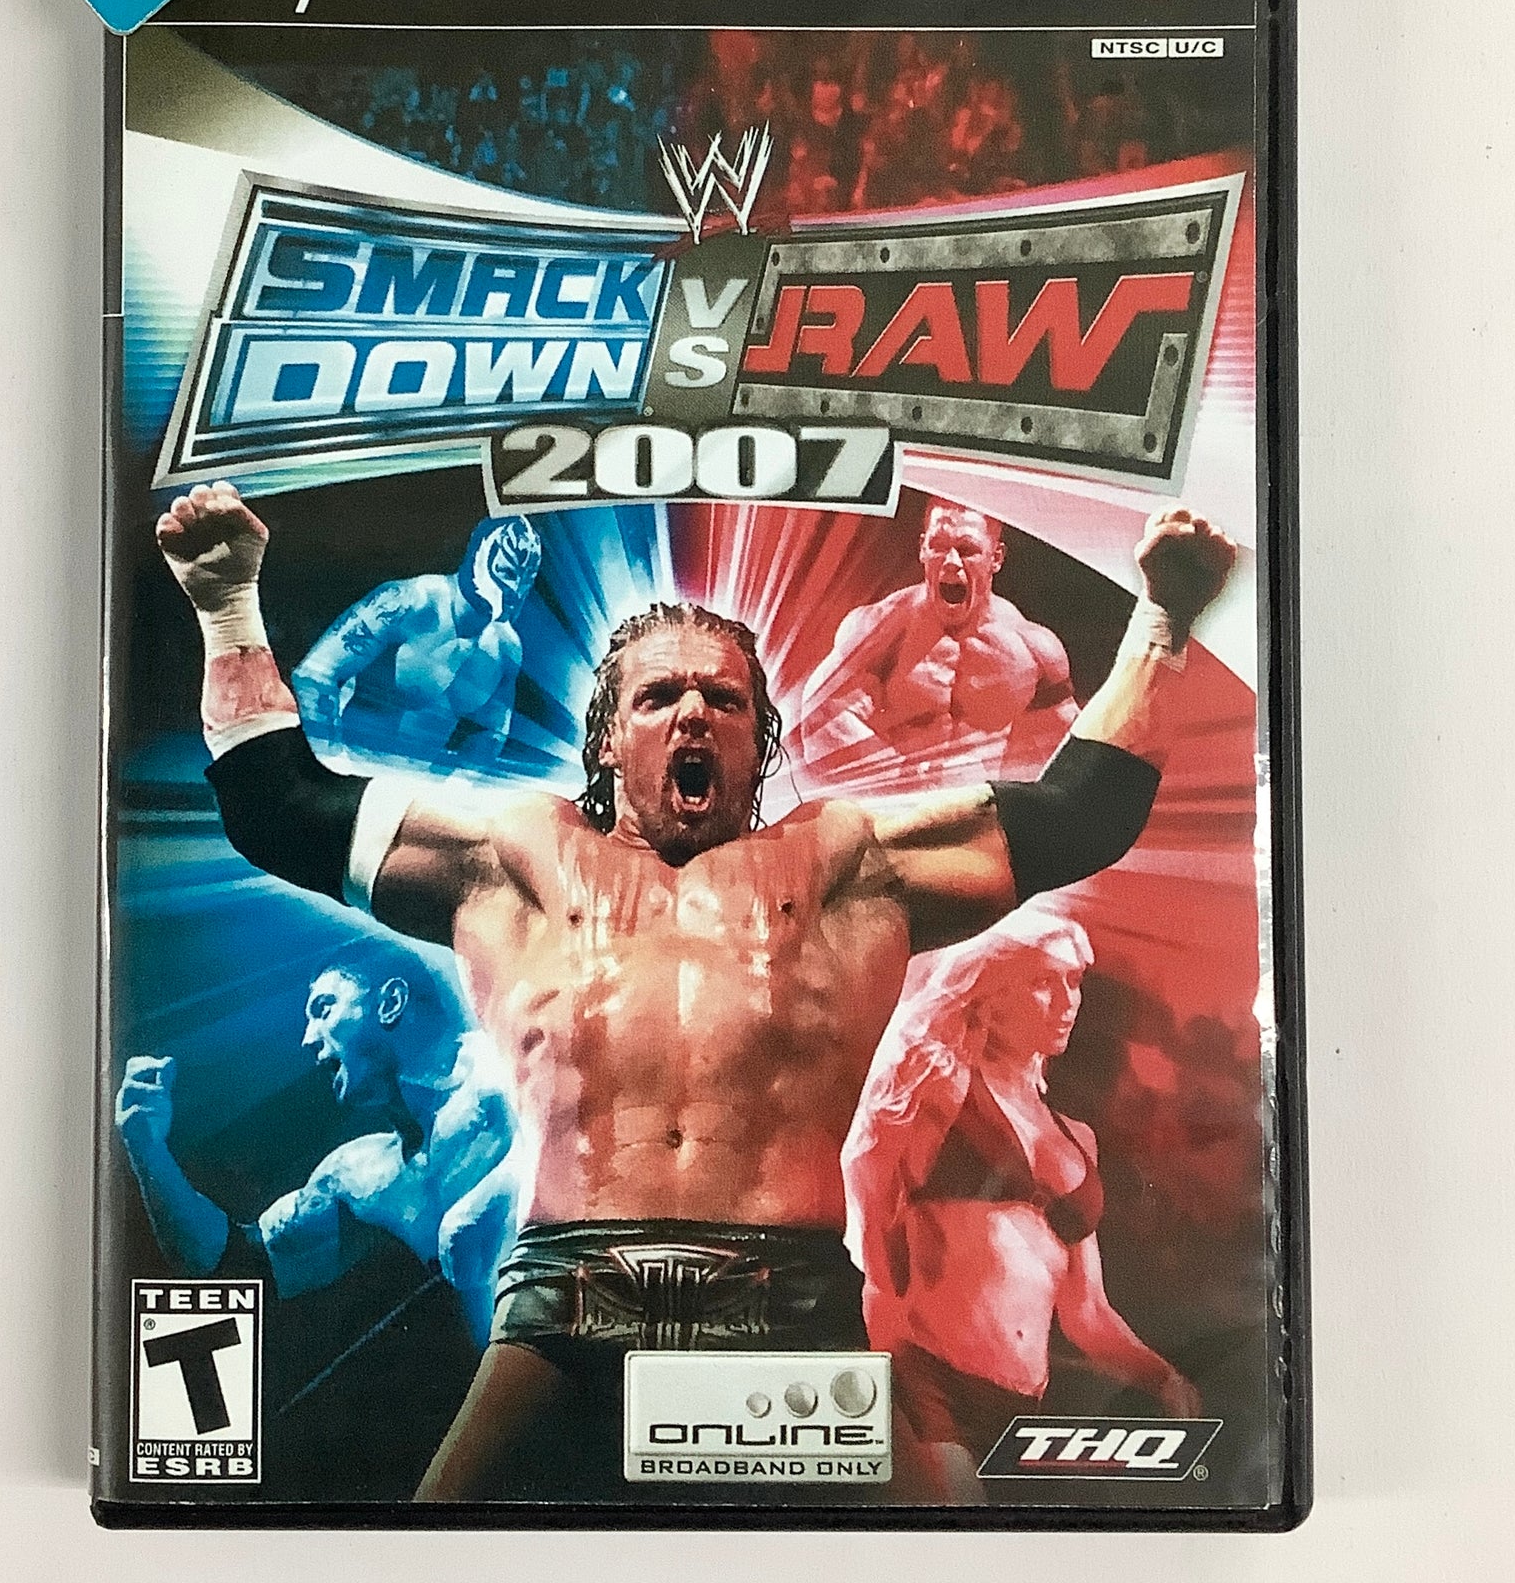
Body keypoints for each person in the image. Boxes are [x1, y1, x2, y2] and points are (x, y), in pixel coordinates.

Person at [153, 476, 1233, 1499]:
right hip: (566, 1295)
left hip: (787, 1290)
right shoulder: (513, 861)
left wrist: (1163, 617)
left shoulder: (848, 863)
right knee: (437, 1557)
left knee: (922, 1562)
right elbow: (280, 806)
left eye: (722, 698)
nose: (692, 715)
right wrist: (225, 601)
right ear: (607, 737)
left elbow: (1082, 812)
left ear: (758, 741)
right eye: (659, 695)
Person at [842, 909, 1197, 1501]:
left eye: (1074, 982)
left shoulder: (1078, 1139)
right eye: (1043, 982)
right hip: (929, 1382)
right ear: (991, 992)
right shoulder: (941, 1091)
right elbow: (870, 1189)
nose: (1066, 1002)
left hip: (1022, 1406)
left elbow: (1087, 1313)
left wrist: (1162, 1377)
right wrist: (890, 1346)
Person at [114, 955, 521, 1345]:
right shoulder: (360, 1173)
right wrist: (148, 1151)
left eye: (324, 1008)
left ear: (391, 1002)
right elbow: (234, 1265)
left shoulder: (510, 1064)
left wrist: (500, 1194)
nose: (308, 1038)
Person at [797, 502, 1076, 774]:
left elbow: (1068, 758)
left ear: (996, 558)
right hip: (892, 800)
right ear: (923, 549)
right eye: (938, 547)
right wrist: (903, 781)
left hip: (981, 801)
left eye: (967, 550)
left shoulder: (1035, 651)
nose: (951, 562)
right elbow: (818, 718)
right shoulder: (879, 628)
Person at [291, 516, 543, 769]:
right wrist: (334, 762)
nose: (516, 590)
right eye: (508, 572)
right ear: (480, 555)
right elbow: (315, 673)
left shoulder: (506, 648)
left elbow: (490, 732)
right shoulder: (407, 601)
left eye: (526, 579)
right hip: (350, 772)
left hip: (410, 786)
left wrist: (457, 786)